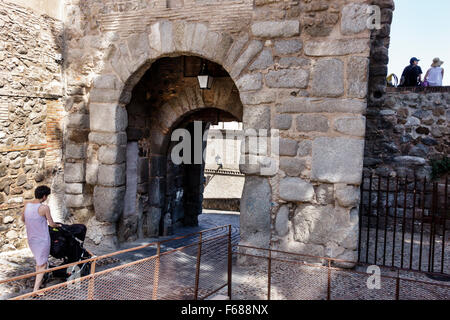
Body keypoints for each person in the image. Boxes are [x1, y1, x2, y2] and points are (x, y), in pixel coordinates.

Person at [21, 185, 61, 293]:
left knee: (39, 262)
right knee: (42, 264)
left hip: (31, 239)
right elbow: (52, 224)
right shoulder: (44, 208)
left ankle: (39, 281)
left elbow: (23, 219)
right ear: (44, 196)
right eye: (46, 196)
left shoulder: (26, 205)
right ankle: (36, 290)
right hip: (42, 240)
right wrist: (58, 226)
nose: (46, 198)